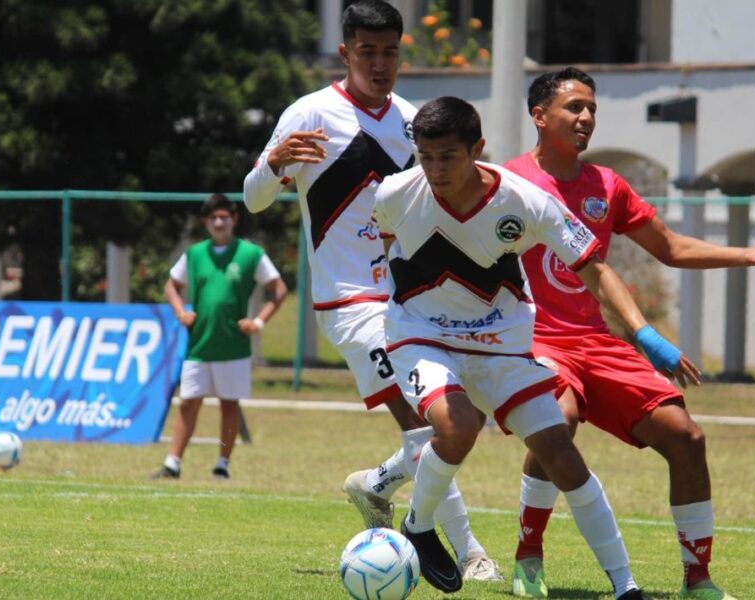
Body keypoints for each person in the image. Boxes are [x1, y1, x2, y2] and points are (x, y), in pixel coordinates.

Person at [503, 67, 755, 600]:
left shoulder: (606, 185)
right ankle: (529, 555)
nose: (586, 118)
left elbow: (669, 246)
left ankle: (698, 580)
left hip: (597, 342)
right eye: (574, 107)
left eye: (592, 109)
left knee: (687, 438)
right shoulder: (507, 183)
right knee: (560, 420)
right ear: (539, 116)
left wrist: (748, 254)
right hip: (536, 340)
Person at [373, 95, 678, 597]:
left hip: (502, 344)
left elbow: (593, 269)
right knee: (459, 424)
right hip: (420, 335)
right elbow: (387, 249)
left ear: (478, 150)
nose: (434, 169)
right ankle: (419, 526)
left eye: (447, 156)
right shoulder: (395, 194)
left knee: (562, 453)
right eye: (425, 156)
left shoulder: (526, 202)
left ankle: (626, 586)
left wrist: (641, 332)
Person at [242, 0, 503, 582]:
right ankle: (467, 551)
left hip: (414, 300)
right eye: (368, 52)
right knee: (427, 422)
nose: (380, 63)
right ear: (345, 53)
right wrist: (272, 165)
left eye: (390, 52)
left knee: (459, 416)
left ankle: (377, 484)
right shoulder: (309, 115)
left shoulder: (415, 122)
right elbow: (253, 199)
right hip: (349, 301)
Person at [150, 194, 287, 481]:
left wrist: (258, 322)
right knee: (188, 402)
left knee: (229, 403)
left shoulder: (251, 254)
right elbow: (171, 286)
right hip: (199, 343)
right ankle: (172, 463)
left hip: (233, 345)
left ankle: (222, 464)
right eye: (213, 218)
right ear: (205, 222)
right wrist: (180, 312)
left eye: (224, 216)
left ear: (234, 219)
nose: (219, 222)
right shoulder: (194, 254)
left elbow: (279, 289)